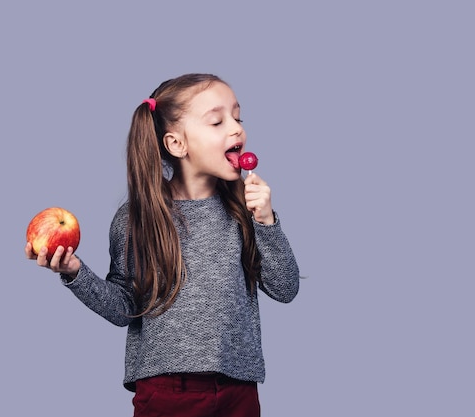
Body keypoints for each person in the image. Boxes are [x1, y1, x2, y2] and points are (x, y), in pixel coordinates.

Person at [25, 73, 300, 417]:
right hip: (167, 393)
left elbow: (285, 287)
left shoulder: (245, 211)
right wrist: (75, 272)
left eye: (238, 117)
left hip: (238, 391)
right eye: (217, 121)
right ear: (176, 145)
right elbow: (123, 309)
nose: (236, 129)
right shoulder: (137, 218)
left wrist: (267, 222)